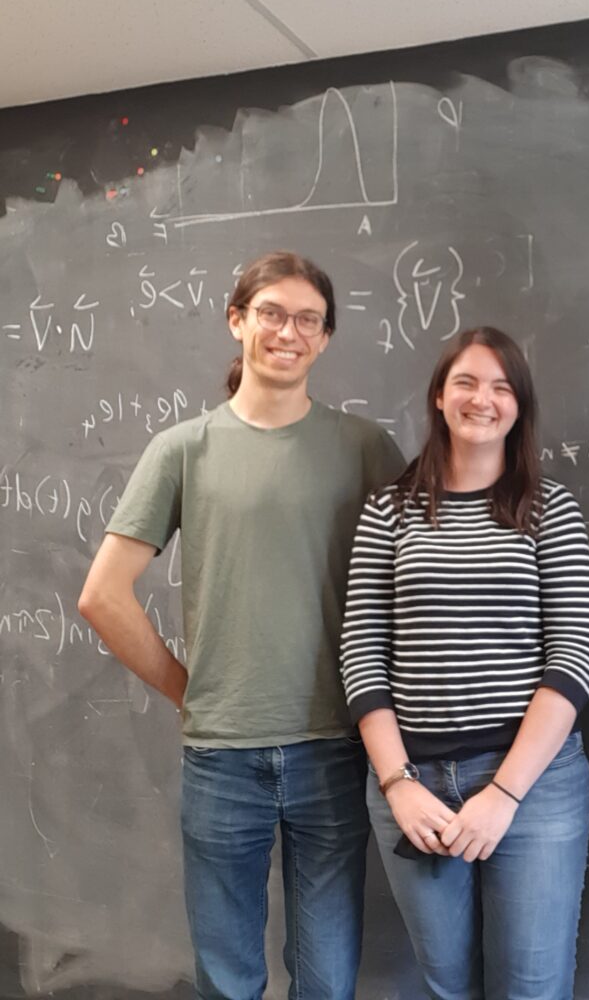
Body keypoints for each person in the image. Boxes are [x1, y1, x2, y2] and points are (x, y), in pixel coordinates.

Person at [78, 251, 405, 1000]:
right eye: (271, 313)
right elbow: (102, 594)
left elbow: (409, 588)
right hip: (222, 757)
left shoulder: (364, 450)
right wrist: (189, 692)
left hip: (335, 746)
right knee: (227, 979)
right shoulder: (182, 450)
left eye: (308, 320)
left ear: (324, 339)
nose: (288, 331)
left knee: (326, 979)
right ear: (237, 321)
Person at [341, 326, 589, 1000]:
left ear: (520, 408)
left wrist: (505, 794)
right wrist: (397, 784)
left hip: (533, 786)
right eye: (466, 381)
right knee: (447, 986)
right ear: (437, 396)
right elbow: (362, 653)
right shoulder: (387, 511)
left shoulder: (550, 510)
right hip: (413, 786)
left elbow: (574, 658)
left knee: (532, 988)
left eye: (501, 386)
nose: (482, 399)